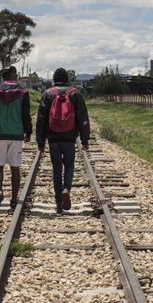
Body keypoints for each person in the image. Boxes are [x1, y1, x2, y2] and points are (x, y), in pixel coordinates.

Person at [36, 68, 90, 213]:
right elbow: (83, 118)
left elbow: (41, 120)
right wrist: (85, 139)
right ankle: (66, 188)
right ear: (67, 79)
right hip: (69, 138)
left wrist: (40, 141)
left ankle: (58, 202)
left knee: (56, 169)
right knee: (70, 165)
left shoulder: (48, 94)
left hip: (53, 138)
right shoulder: (75, 94)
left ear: (54, 79)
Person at [0, 66, 32, 210]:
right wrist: (28, 132)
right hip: (16, 134)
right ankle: (14, 200)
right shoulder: (23, 92)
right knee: (15, 168)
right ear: (14, 75)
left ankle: (0, 191)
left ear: (3, 77)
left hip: (0, 134)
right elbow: (25, 115)